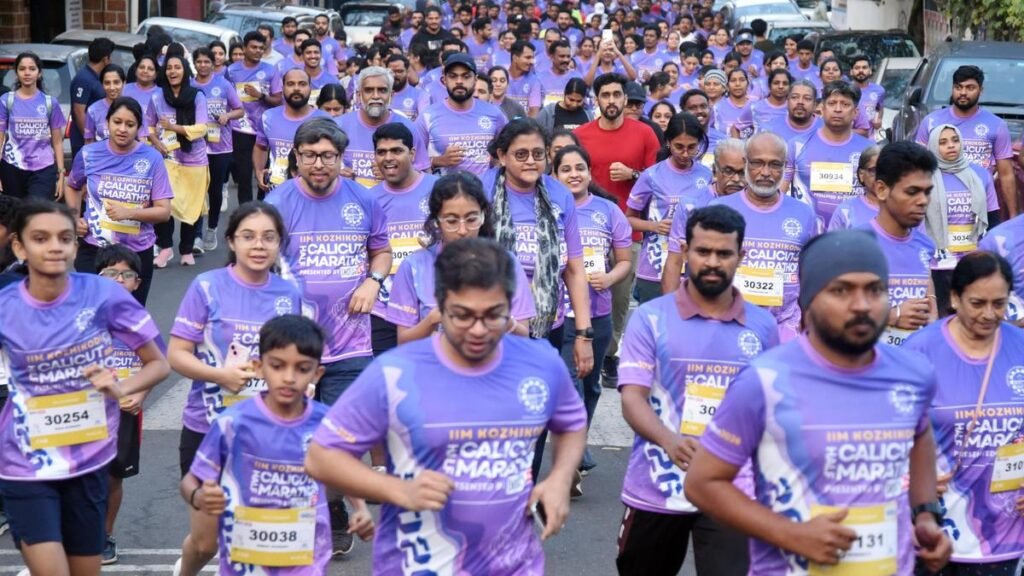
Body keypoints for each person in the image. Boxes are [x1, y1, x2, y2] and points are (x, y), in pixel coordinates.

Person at [305, 237, 588, 573]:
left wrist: (559, 478)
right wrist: (397, 490)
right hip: (419, 564)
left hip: (514, 564)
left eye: (493, 315)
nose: (478, 330)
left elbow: (571, 423)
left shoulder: (540, 364)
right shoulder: (396, 372)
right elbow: (321, 457)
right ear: (440, 304)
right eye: (462, 316)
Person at [684, 228, 953, 576]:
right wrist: (790, 534)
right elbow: (702, 483)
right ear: (809, 300)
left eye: (875, 290)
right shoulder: (764, 381)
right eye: (841, 290)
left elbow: (920, 439)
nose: (861, 305)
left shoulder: (914, 374)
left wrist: (926, 515)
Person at [0, 199, 169, 576]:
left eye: (64, 238)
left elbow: (159, 363)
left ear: (76, 247)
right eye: (40, 238)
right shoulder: (5, 303)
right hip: (26, 462)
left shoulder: (104, 295)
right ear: (19, 247)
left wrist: (122, 387)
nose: (54, 247)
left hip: (89, 460)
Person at [617, 204, 778, 575]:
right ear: (686, 251)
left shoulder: (763, 326)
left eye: (724, 253)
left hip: (732, 488)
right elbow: (631, 398)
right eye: (703, 251)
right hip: (657, 489)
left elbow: (770, 409)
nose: (713, 262)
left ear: (741, 255)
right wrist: (670, 441)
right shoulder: (651, 318)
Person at [266, 118, 391, 555]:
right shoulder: (277, 202)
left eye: (327, 156)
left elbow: (381, 251)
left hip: (351, 343)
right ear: (296, 157)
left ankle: (336, 512)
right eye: (309, 155)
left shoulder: (364, 198)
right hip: (292, 348)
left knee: (341, 438)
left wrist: (373, 281)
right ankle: (294, 516)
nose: (318, 164)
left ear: (341, 158)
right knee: (292, 437)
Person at [167, 202, 305, 576]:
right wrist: (220, 376)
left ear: (279, 243)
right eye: (248, 236)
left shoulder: (289, 293)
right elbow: (176, 355)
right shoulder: (207, 286)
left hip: (266, 433)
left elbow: (293, 361)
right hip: (208, 428)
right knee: (205, 542)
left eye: (268, 237)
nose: (258, 245)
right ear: (231, 241)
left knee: (253, 535)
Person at [178, 315, 375, 576]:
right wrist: (198, 496)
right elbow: (191, 480)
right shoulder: (233, 423)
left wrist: (361, 508)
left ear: (317, 373)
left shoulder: (326, 423)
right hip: (245, 560)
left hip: (305, 556)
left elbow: (345, 470)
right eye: (278, 366)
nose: (289, 378)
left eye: (302, 369)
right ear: (259, 367)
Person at [482, 118, 595, 480]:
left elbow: (573, 267)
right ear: (502, 156)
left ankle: (524, 486)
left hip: (548, 326)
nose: (530, 161)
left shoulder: (559, 195)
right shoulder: (481, 189)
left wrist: (583, 333)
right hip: (492, 328)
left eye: (537, 154)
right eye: (520, 154)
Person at [901, 251, 1024, 574]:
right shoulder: (920, 351)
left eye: (999, 304)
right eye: (977, 303)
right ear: (955, 298)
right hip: (933, 529)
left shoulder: (1021, 347)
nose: (989, 314)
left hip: (1005, 533)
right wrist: (907, 482)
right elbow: (887, 432)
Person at [553, 144, 632, 483]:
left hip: (598, 312)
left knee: (591, 385)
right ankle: (574, 454)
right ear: (554, 175)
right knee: (569, 382)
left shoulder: (608, 211)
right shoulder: (549, 209)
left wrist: (609, 278)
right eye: (565, 169)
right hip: (561, 314)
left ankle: (576, 440)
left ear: (589, 172)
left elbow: (625, 261)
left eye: (579, 168)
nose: (574, 174)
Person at [388, 171, 535, 341]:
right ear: (437, 221)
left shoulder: (506, 263)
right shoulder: (414, 266)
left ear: (483, 216)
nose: (463, 231)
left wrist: (502, 319)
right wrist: (432, 320)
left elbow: (524, 336)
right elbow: (403, 341)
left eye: (471, 219)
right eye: (452, 221)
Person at [65, 97, 172, 304]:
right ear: (107, 122)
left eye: (130, 124)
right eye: (117, 122)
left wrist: (129, 213)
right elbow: (72, 185)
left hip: (136, 252)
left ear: (139, 128)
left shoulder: (152, 159)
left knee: (129, 316)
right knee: (92, 312)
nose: (122, 129)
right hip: (95, 248)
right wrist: (74, 218)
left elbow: (164, 211)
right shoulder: (88, 154)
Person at [712, 132, 818, 339]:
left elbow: (810, 275)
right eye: (758, 163)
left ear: (785, 166)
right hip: (728, 326)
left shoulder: (804, 213)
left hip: (786, 328)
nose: (766, 172)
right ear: (745, 163)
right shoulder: (718, 209)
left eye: (775, 165)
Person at [92, 245, 147, 565]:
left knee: (114, 477)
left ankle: (105, 534)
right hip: (87, 411)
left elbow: (156, 363)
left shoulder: (141, 322)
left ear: (137, 283)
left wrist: (141, 394)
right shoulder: (82, 318)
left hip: (125, 411)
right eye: (110, 273)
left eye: (126, 274)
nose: (118, 280)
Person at [366, 122, 438, 356]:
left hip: (431, 306)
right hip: (383, 311)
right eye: (381, 152)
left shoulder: (439, 190)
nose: (388, 158)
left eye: (396, 151)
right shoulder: (367, 200)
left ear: (413, 153)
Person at [627, 112, 713, 304]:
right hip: (655, 269)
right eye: (679, 147)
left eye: (692, 147)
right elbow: (628, 219)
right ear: (668, 142)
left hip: (695, 269)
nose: (685, 154)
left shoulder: (706, 175)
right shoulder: (652, 176)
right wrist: (654, 226)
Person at [860, 141, 939, 349]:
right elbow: (831, 314)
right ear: (881, 190)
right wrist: (893, 315)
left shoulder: (925, 246)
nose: (923, 201)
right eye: (912, 192)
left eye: (927, 192)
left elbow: (928, 298)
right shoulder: (854, 245)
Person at [915, 65, 1017, 217]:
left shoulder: (996, 125)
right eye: (958, 87)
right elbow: (917, 167)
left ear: (981, 90)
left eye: (970, 88)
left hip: (982, 205)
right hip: (939, 205)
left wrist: (1013, 217)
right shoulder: (931, 122)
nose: (963, 92)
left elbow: (1006, 174)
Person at [925, 124, 1001, 316]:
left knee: (971, 316)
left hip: (972, 260)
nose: (951, 145)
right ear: (933, 146)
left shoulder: (981, 174)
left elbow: (993, 217)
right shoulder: (924, 176)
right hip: (937, 262)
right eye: (943, 142)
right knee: (942, 318)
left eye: (955, 140)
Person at [147, 54, 210, 269]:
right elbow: (149, 125)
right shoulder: (157, 97)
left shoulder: (197, 96)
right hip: (168, 158)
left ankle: (186, 249)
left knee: (191, 207)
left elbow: (202, 128)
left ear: (185, 71)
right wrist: (156, 142)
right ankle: (165, 248)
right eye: (169, 68)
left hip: (194, 159)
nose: (172, 71)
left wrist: (173, 128)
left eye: (177, 67)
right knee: (163, 202)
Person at [662, 139, 748, 292]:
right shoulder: (691, 204)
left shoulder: (758, 206)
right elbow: (675, 261)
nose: (736, 179)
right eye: (728, 171)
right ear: (715, 171)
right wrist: (668, 305)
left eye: (742, 173)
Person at [784, 81, 872, 230]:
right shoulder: (797, 145)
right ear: (822, 109)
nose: (838, 109)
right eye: (832, 103)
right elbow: (781, 191)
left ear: (856, 112)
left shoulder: (869, 150)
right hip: (807, 232)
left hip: (851, 234)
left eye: (845, 104)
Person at [335, 66, 428, 188]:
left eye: (382, 90)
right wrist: (336, 174)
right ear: (358, 95)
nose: (375, 96)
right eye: (368, 90)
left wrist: (395, 174)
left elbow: (425, 175)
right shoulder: (338, 126)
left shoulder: (408, 128)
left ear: (391, 95)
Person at [418, 54, 508, 176]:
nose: (459, 81)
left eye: (466, 76)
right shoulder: (428, 115)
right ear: (444, 80)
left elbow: (508, 151)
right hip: (444, 187)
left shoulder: (494, 113)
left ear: (475, 80)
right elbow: (412, 160)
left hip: (485, 188)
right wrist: (439, 161)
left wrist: (495, 165)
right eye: (453, 76)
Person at [192, 47, 244, 252]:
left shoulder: (223, 84)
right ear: (194, 64)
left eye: (207, 62)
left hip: (221, 147)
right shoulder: (189, 85)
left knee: (214, 191)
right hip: (195, 147)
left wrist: (227, 116)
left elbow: (239, 110)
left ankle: (211, 228)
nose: (203, 65)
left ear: (213, 64)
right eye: (199, 62)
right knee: (197, 191)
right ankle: (196, 236)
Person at [0, 52, 67, 199]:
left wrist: (61, 174)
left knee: (36, 209)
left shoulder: (50, 103)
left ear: (39, 73)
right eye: (22, 69)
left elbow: (57, 142)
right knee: (15, 211)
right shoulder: (6, 101)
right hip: (12, 167)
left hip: (43, 169)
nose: (27, 73)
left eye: (32, 68)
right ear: (16, 73)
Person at [227, 31, 283, 205]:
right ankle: (245, 212)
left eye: (261, 48)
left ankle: (262, 207)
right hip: (240, 128)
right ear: (244, 48)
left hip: (263, 129)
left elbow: (278, 99)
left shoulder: (270, 70)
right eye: (254, 47)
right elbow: (226, 98)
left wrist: (261, 96)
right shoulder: (232, 71)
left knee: (264, 173)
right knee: (244, 175)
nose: (258, 51)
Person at [254, 68, 326, 193]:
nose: (296, 88)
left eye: (302, 84)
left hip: (313, 192)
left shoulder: (325, 120)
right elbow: (260, 147)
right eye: (291, 84)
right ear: (283, 88)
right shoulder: (268, 117)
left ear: (310, 88)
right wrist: (259, 171)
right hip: (276, 192)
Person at [70, 38, 114, 162]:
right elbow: (79, 111)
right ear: (105, 59)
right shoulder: (84, 79)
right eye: (110, 58)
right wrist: (89, 139)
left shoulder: (96, 77)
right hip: (84, 142)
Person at [829, 144, 881, 231]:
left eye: (885, 169)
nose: (880, 175)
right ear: (861, 174)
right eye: (874, 170)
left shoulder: (899, 209)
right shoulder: (846, 211)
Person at [757, 79, 821, 144]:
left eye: (807, 98)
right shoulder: (769, 129)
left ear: (815, 105)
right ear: (787, 101)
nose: (800, 102)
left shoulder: (825, 128)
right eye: (794, 97)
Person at [741, 68, 789, 135]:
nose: (781, 86)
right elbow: (735, 128)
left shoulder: (792, 108)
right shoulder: (755, 107)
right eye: (776, 83)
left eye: (785, 83)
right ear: (769, 86)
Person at [84, 64, 125, 143]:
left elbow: (142, 139)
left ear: (124, 82)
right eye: (107, 83)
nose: (112, 87)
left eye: (116, 82)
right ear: (102, 84)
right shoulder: (93, 110)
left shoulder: (134, 108)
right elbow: (89, 143)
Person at [537, 40, 583, 107]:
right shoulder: (540, 78)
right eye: (562, 56)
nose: (566, 60)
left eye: (568, 56)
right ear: (552, 57)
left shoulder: (577, 78)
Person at [849, 55, 884, 139]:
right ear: (851, 71)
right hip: (848, 136)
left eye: (864, 67)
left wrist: (879, 120)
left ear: (870, 71)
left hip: (869, 139)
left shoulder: (879, 90)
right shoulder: (845, 90)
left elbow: (880, 108)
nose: (861, 70)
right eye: (857, 68)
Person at [506, 40, 543, 117]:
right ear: (515, 58)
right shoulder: (501, 78)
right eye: (528, 57)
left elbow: (534, 112)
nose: (532, 62)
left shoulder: (534, 81)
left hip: (524, 123)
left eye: (532, 58)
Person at [387, 54, 426, 121]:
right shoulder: (379, 95)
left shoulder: (420, 95)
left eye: (399, 71)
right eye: (391, 72)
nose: (395, 75)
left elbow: (423, 123)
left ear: (407, 72)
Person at [121, 55, 160, 120]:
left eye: (150, 69)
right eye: (142, 67)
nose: (145, 71)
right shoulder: (124, 89)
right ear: (136, 70)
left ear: (156, 74)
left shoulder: (161, 94)